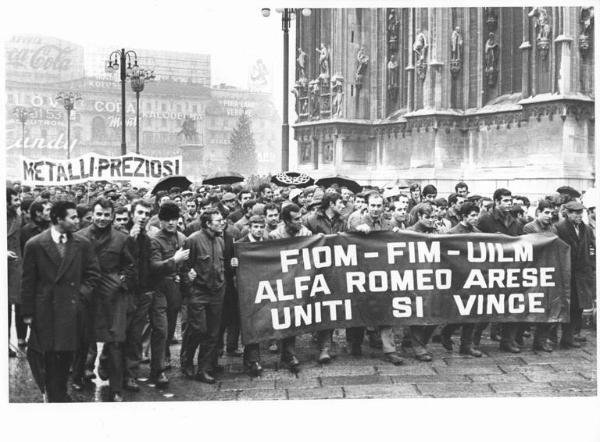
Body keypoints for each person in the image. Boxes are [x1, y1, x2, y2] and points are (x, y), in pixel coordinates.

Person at [21, 200, 101, 402]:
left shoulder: (82, 244)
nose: (78, 220)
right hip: (45, 311)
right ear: (58, 218)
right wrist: (28, 313)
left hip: (72, 310)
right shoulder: (35, 244)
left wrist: (80, 296)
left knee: (66, 355)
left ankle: (59, 394)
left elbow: (93, 274)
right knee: (46, 356)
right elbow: (28, 281)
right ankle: (54, 394)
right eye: (73, 217)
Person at [77, 197, 135, 402]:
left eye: (106, 215)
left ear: (112, 216)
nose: (102, 219)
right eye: (98, 214)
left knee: (116, 341)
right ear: (92, 214)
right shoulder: (80, 236)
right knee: (83, 337)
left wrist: (121, 280)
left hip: (112, 295)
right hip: (87, 295)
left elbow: (130, 265)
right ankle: (78, 376)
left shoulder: (122, 238)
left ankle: (116, 388)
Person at [347, 192, 404, 365]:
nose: (376, 209)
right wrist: (356, 231)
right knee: (359, 310)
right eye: (373, 205)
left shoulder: (389, 223)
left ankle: (390, 350)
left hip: (383, 272)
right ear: (366, 205)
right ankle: (355, 343)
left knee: (386, 310)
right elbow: (345, 238)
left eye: (379, 206)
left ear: (383, 207)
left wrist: (397, 234)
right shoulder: (356, 220)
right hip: (361, 273)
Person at [124, 199, 169, 390]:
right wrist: (130, 240)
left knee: (160, 330)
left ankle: (157, 370)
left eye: (146, 214)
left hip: (150, 289)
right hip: (131, 292)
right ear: (132, 213)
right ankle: (129, 374)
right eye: (139, 213)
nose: (142, 217)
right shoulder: (123, 235)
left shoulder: (148, 238)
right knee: (133, 335)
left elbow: (151, 264)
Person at [180, 208, 225, 384]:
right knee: (198, 329)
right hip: (198, 293)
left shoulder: (220, 241)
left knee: (213, 333)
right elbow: (183, 268)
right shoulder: (192, 240)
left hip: (216, 293)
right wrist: (189, 290)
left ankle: (204, 368)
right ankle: (186, 360)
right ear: (208, 224)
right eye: (218, 220)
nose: (222, 222)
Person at [477, 188, 523, 353]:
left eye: (510, 201)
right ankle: (473, 342)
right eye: (505, 201)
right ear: (496, 202)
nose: (509, 204)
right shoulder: (485, 220)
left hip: (509, 270)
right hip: (489, 270)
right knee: (485, 307)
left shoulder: (515, 222)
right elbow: (475, 243)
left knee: (511, 305)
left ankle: (507, 341)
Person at [304, 192, 347, 363]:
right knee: (317, 307)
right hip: (315, 269)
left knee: (329, 306)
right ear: (331, 203)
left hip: (334, 269)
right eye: (340, 203)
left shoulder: (342, 221)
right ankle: (321, 338)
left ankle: (325, 346)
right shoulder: (311, 220)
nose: (343, 206)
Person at [440, 202, 483, 357]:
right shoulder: (453, 233)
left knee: (472, 312)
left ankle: (466, 345)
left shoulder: (478, 232)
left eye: (477, 215)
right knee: (459, 312)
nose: (475, 218)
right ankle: (447, 332)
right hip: (457, 278)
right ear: (464, 216)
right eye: (472, 215)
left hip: (472, 277)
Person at [150, 202, 189, 370]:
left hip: (175, 287)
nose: (171, 223)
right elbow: (154, 267)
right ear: (161, 221)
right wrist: (175, 261)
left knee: (172, 324)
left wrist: (186, 274)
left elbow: (187, 264)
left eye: (174, 219)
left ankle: (164, 353)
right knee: (161, 327)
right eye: (167, 220)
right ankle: (159, 362)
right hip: (159, 287)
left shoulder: (182, 238)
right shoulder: (155, 241)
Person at [555, 201, 596, 349]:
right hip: (568, 273)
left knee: (580, 306)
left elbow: (592, 247)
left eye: (581, 213)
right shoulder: (560, 228)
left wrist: (591, 265)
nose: (579, 216)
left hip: (583, 273)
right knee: (569, 306)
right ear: (568, 213)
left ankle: (573, 334)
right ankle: (566, 337)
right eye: (576, 213)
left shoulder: (585, 228)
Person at [235, 215, 267, 377]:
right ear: (249, 227)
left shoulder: (268, 243)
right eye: (255, 226)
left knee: (258, 323)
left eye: (261, 226)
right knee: (251, 323)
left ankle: (251, 359)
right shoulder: (240, 244)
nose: (259, 229)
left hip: (263, 288)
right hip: (246, 289)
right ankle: (253, 359)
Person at [405, 203, 438, 361]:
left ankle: (420, 343)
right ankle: (418, 347)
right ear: (419, 216)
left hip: (433, 277)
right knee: (418, 313)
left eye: (433, 217)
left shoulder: (436, 232)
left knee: (435, 314)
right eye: (427, 217)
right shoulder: (409, 232)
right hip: (414, 277)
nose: (431, 220)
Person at [7, 188, 22, 358]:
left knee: (8, 307)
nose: (18, 202)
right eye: (15, 199)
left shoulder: (17, 218)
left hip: (14, 269)